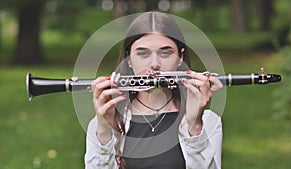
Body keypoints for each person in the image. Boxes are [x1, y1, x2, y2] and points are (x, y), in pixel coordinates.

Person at [84, 11, 223, 169]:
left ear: (181, 58)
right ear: (129, 59)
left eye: (165, 52)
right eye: (143, 53)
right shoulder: (103, 122)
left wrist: (195, 126)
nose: (154, 64)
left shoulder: (208, 121)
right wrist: (103, 130)